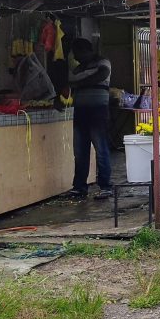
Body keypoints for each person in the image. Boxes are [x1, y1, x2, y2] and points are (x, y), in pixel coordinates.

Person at [67, 38, 112, 199]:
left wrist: (79, 84)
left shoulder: (102, 62)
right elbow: (70, 85)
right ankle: (79, 187)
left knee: (101, 150)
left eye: (78, 53)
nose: (77, 57)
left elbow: (102, 75)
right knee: (80, 152)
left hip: (98, 112)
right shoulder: (78, 68)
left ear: (87, 50)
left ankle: (106, 186)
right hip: (80, 112)